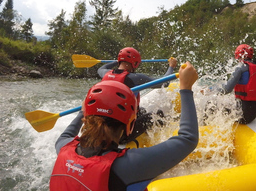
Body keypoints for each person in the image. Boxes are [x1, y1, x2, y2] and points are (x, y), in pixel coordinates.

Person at [50, 62, 199, 191]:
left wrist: (81, 113)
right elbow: (188, 139)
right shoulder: (126, 166)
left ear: (86, 118)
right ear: (130, 126)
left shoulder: (63, 146)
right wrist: (186, 89)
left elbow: (68, 133)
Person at [98, 47, 178, 142]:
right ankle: (164, 140)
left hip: (101, 129)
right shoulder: (135, 78)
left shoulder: (105, 74)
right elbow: (164, 83)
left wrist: (118, 61)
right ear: (135, 63)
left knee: (142, 111)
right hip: (122, 135)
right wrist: (171, 67)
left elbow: (101, 68)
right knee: (156, 115)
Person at [215, 44, 256, 124]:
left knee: (211, 104)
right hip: (253, 114)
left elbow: (226, 90)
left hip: (242, 115)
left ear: (237, 55)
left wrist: (211, 90)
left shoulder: (240, 67)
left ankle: (203, 128)